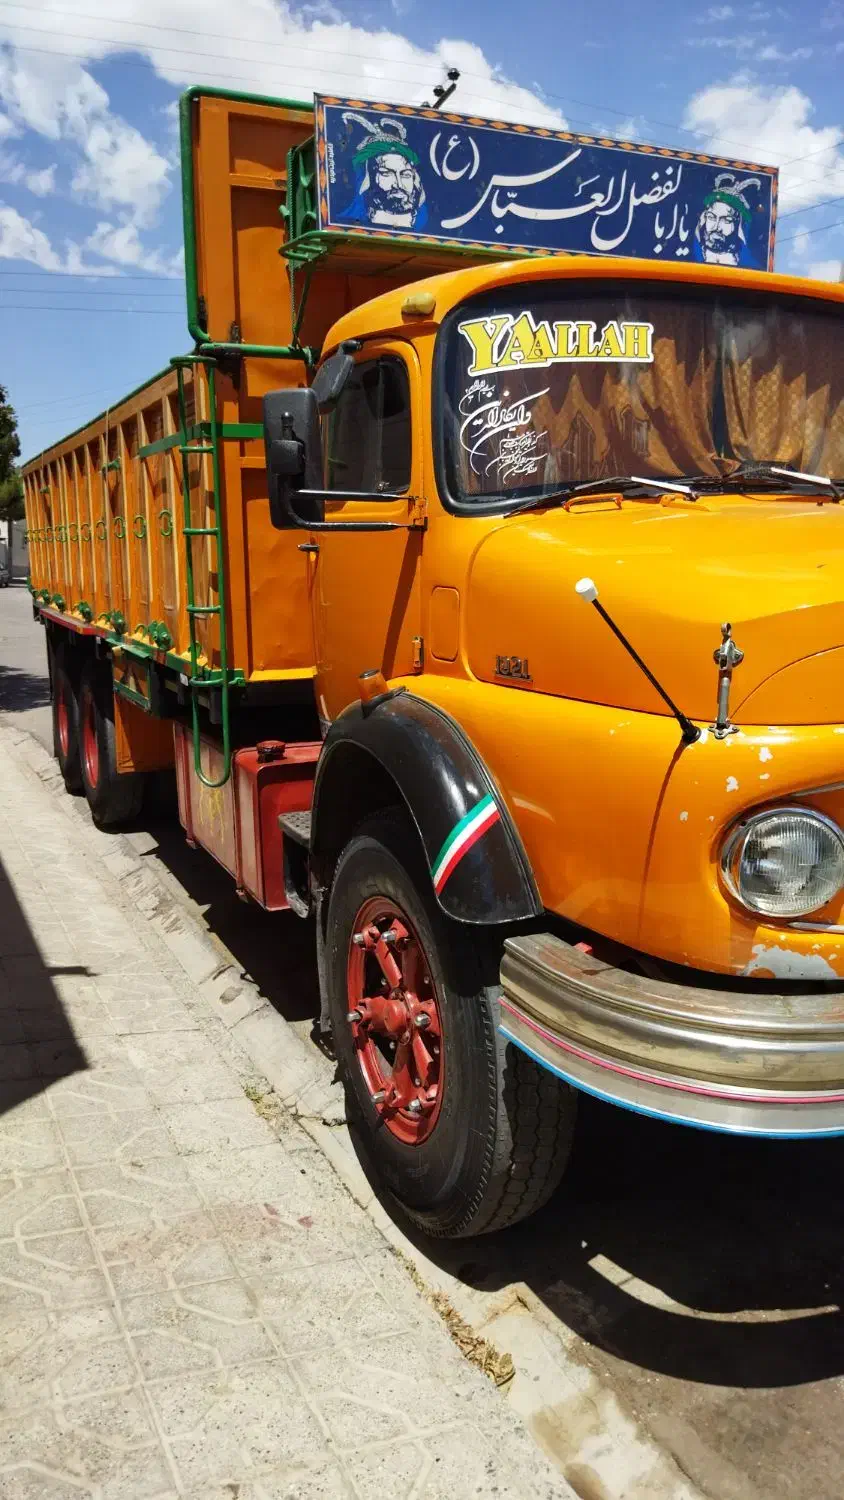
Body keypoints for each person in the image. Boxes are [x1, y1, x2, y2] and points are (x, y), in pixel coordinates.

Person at [338, 113, 428, 230]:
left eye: (406, 175)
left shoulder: (424, 226)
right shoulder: (345, 224)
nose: (398, 184)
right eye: (386, 173)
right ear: (368, 179)